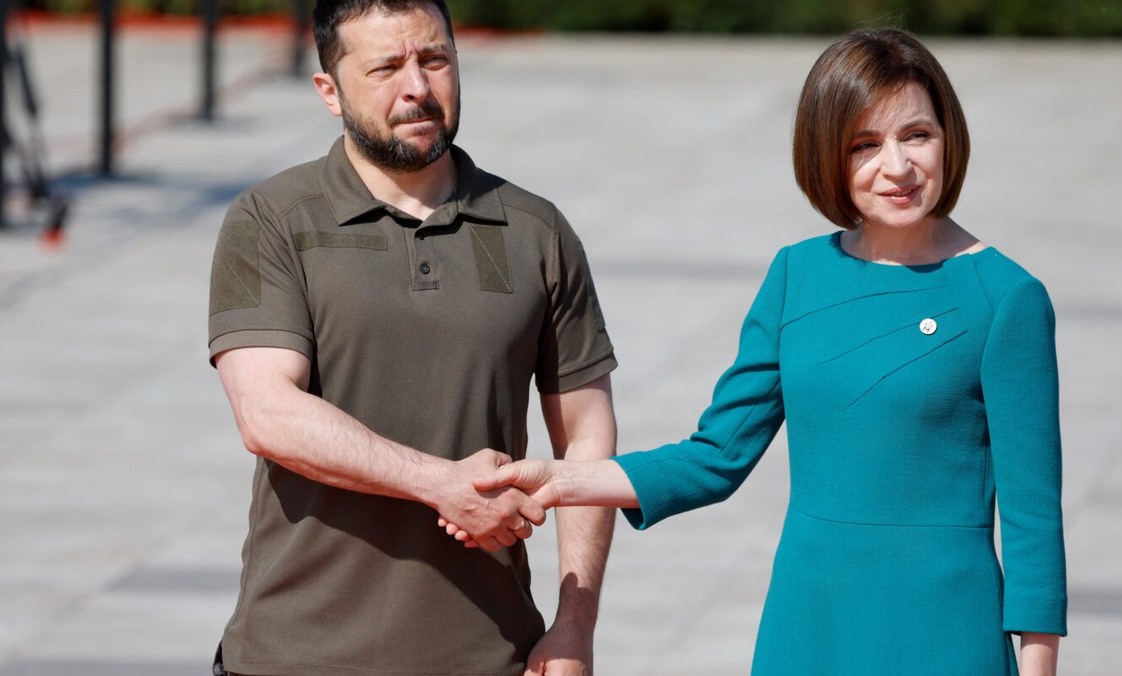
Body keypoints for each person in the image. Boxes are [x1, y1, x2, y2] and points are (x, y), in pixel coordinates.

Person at [447, 28, 1068, 675]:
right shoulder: (796, 276)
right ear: (828, 154)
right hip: (808, 626)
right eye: (865, 144)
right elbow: (716, 456)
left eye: (916, 134)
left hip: (944, 632)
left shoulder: (1005, 298)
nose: (898, 166)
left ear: (947, 136)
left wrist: (1038, 667)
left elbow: (1032, 522)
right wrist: (562, 480)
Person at [206, 0, 618, 674]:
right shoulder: (270, 220)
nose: (417, 88)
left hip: (491, 657)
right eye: (386, 67)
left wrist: (576, 624)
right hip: (293, 656)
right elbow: (268, 415)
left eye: (434, 60)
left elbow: (587, 438)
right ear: (329, 91)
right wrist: (439, 484)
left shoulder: (535, 230)